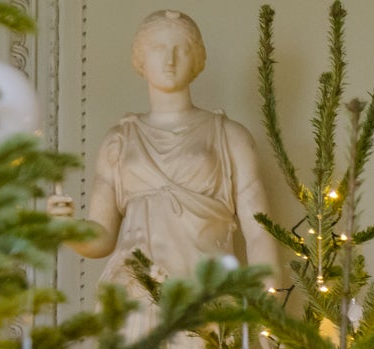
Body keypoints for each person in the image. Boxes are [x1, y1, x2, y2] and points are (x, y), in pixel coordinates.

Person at [67, 10, 280, 313]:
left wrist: (270, 310)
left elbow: (260, 231)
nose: (170, 59)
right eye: (159, 48)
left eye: (181, 48)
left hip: (207, 295)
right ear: (141, 58)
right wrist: (64, 227)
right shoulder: (119, 140)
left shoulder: (230, 136)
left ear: (197, 58)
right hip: (136, 294)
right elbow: (101, 237)